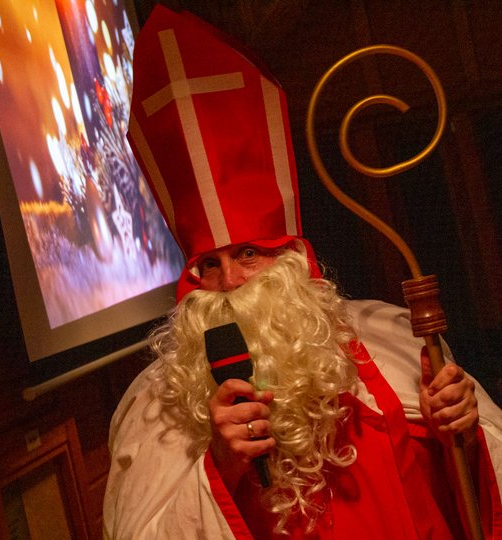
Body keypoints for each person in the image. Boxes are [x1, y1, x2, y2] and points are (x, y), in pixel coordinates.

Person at [103, 5, 502, 538]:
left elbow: (473, 483)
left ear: (291, 256)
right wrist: (220, 464)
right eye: (209, 265)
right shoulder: (159, 405)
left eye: (248, 254)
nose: (230, 283)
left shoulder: (392, 337)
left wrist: (454, 431)